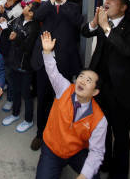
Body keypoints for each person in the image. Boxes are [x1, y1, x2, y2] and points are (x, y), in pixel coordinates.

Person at [81, 0, 130, 179]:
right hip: (101, 88)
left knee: (120, 135)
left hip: (122, 91)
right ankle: (105, 162)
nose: (107, 1)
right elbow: (85, 32)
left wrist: (106, 27)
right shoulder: (104, 24)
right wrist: (96, 23)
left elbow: (127, 50)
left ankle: (119, 174)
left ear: (124, 7)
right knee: (102, 128)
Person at [35, 31, 106, 179]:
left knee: (93, 176)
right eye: (81, 76)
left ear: (95, 92)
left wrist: (84, 175)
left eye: (88, 80)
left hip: (76, 152)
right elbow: (52, 71)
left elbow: (97, 152)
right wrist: (47, 52)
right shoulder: (65, 88)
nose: (81, 81)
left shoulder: (99, 119)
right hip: (51, 149)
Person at [30, 0, 83, 151]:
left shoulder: (74, 7)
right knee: (43, 99)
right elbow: (37, 16)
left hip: (64, 63)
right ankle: (40, 133)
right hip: (44, 59)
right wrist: (53, 1)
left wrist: (63, 3)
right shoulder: (47, 4)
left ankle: (59, 133)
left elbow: (77, 23)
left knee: (61, 101)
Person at [1, 2, 40, 133]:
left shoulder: (34, 27)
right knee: (15, 90)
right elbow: (9, 31)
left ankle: (28, 120)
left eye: (28, 6)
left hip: (25, 66)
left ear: (31, 13)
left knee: (26, 94)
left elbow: (27, 48)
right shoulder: (19, 19)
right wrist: (1, 21)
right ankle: (15, 114)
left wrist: (17, 38)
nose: (25, 6)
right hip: (14, 62)